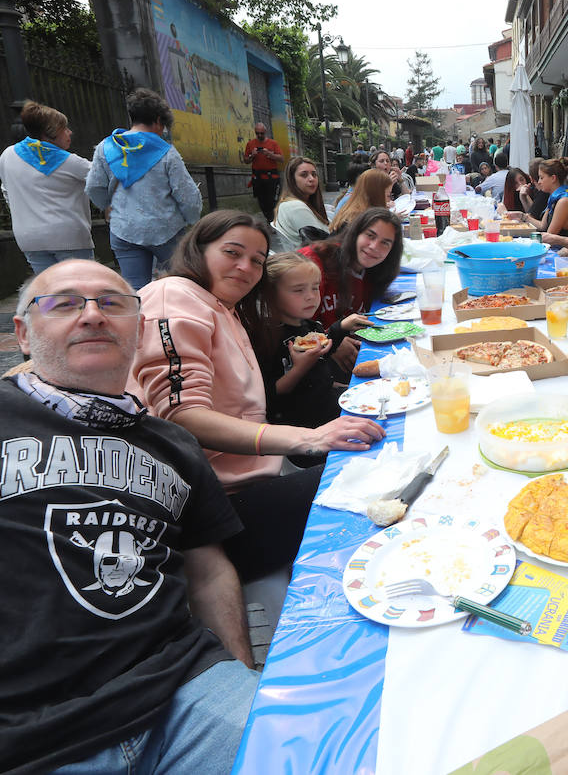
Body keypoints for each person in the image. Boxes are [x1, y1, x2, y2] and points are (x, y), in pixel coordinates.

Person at [0, 259, 258, 773]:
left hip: (183, 696)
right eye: (64, 303)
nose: (93, 315)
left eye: (113, 303)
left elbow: (208, 572)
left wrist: (241, 678)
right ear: (23, 334)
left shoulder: (174, 445)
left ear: (139, 329)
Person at [129, 211, 385, 584]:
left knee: (378, 453)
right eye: (232, 252)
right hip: (215, 512)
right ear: (198, 250)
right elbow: (182, 415)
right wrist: (310, 438)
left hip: (255, 481)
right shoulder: (174, 296)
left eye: (256, 260)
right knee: (369, 477)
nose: (245, 267)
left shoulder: (225, 308)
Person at [87, 88, 203, 290]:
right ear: (158, 120)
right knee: (177, 285)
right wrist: (192, 220)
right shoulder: (167, 152)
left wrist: (107, 206)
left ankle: (141, 320)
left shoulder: (106, 148)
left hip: (124, 229)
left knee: (136, 290)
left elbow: (94, 186)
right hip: (167, 230)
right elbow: (188, 198)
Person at [255, 252, 370, 428]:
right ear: (270, 294)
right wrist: (300, 368)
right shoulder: (266, 338)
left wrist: (340, 328)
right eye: (298, 290)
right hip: (306, 426)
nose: (311, 296)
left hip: (329, 404)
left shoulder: (309, 326)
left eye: (315, 287)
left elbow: (322, 352)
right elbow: (270, 394)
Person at [0, 99, 94, 273]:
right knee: (80, 290)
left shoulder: (7, 155)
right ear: (51, 133)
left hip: (29, 238)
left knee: (49, 293)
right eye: (65, 129)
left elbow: (6, 191)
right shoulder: (71, 162)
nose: (70, 133)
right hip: (69, 237)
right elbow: (104, 178)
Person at [301, 206, 404, 339]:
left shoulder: (375, 272)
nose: (374, 247)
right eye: (370, 236)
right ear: (356, 233)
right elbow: (293, 326)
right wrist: (330, 343)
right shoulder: (315, 262)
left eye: (385, 243)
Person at [271, 156, 331, 252]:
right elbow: (323, 245)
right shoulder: (295, 207)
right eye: (304, 175)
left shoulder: (292, 204)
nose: (311, 179)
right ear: (292, 179)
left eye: (314, 174)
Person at [515, 158, 568, 238]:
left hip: (561, 248)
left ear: (553, 178)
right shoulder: (554, 197)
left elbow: (549, 236)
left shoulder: (563, 201)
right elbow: (542, 226)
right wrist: (521, 216)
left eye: (541, 178)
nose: (539, 182)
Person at [328, 168, 394, 234]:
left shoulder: (357, 208)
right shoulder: (360, 219)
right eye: (388, 196)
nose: (389, 200)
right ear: (376, 195)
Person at [243, 122, 284, 221]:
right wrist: (252, 155)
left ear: (265, 132)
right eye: (257, 133)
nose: (260, 135)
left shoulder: (273, 143)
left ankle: (272, 221)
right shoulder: (250, 144)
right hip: (258, 177)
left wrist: (270, 154)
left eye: (262, 133)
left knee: (271, 201)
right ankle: (270, 220)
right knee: (261, 201)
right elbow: (245, 160)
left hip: (271, 177)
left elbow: (281, 158)